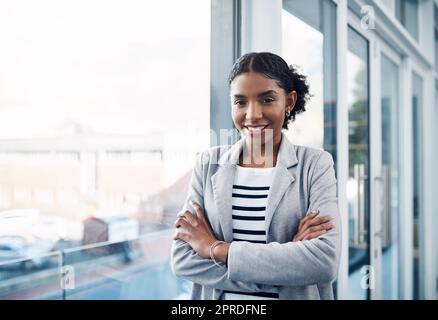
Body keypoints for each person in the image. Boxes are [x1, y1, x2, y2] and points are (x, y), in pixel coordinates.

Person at [171, 52, 341, 300]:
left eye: (267, 100)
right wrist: (286, 268)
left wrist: (214, 249)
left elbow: (324, 262)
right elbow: (182, 260)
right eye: (240, 102)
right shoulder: (208, 164)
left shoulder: (315, 164)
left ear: (289, 101)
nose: (252, 114)